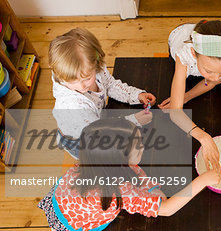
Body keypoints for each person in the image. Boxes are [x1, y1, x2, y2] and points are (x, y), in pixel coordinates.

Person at [38, 118, 220, 231]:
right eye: (138, 147)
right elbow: (166, 209)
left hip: (59, 200)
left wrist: (151, 187)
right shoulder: (119, 191)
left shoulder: (94, 159)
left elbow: (134, 170)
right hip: (74, 224)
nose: (143, 146)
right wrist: (203, 179)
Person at [49, 28, 156, 159]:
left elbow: (109, 84)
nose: (81, 86)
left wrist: (135, 95)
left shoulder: (93, 68)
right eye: (72, 82)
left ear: (96, 63)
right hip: (81, 141)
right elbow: (101, 131)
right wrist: (134, 120)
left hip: (95, 118)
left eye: (87, 79)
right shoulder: (72, 106)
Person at [159, 20, 221, 174]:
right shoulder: (184, 55)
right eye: (209, 71)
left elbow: (211, 83)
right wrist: (204, 138)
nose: (216, 78)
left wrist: (186, 96)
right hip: (180, 33)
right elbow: (175, 113)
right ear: (194, 53)